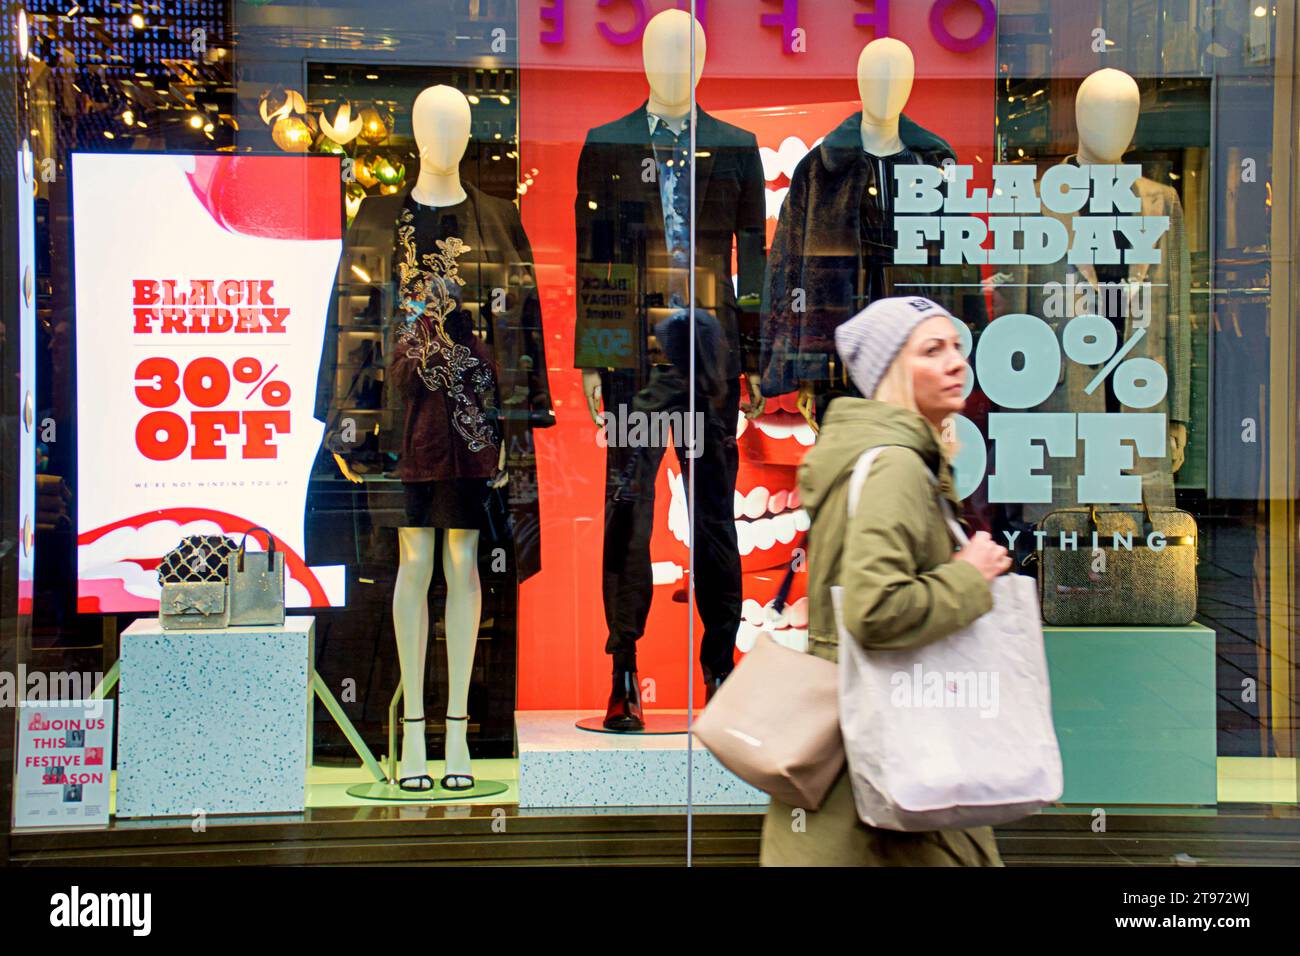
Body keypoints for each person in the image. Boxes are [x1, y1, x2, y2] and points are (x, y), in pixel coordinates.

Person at [760, 295, 1013, 867]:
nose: (956, 363)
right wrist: (970, 578)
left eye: (957, 346)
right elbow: (874, 609)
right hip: (881, 765)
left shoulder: (886, 455)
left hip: (872, 756)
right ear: (891, 369)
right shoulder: (894, 465)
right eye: (932, 350)